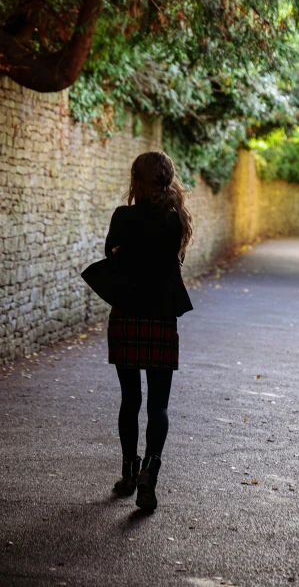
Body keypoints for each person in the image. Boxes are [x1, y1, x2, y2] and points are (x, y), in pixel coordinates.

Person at [104, 150, 193, 511]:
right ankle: (149, 476)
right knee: (158, 406)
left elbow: (111, 254)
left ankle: (128, 473)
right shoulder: (175, 222)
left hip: (127, 315)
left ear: (136, 180)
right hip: (161, 319)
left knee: (130, 400)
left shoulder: (123, 217)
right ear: (168, 179)